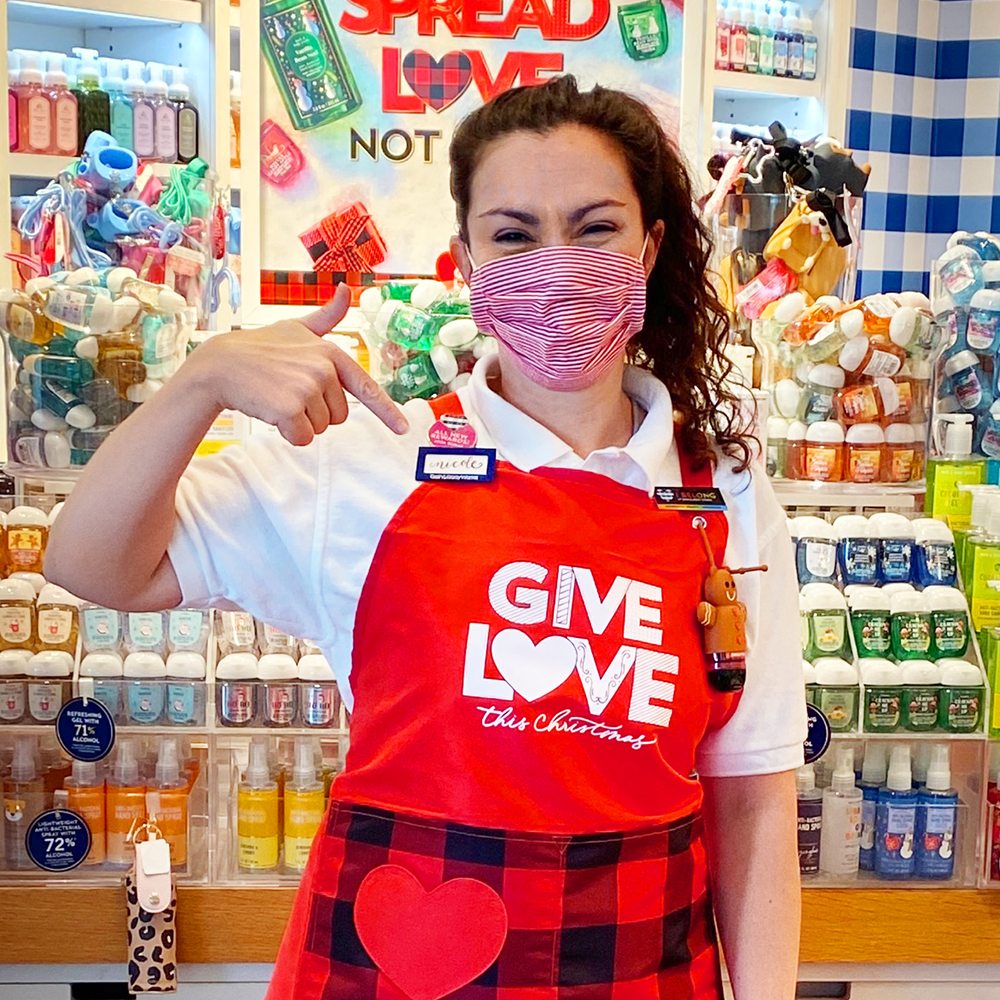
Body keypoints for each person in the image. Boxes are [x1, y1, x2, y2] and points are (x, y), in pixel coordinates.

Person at [47, 75, 805, 999]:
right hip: (390, 961)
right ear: (468, 262)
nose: (556, 264)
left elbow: (753, 802)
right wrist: (199, 382)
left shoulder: (724, 491)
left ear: (648, 248)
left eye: (595, 228)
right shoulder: (368, 461)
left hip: (639, 965)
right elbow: (91, 564)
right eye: (514, 235)